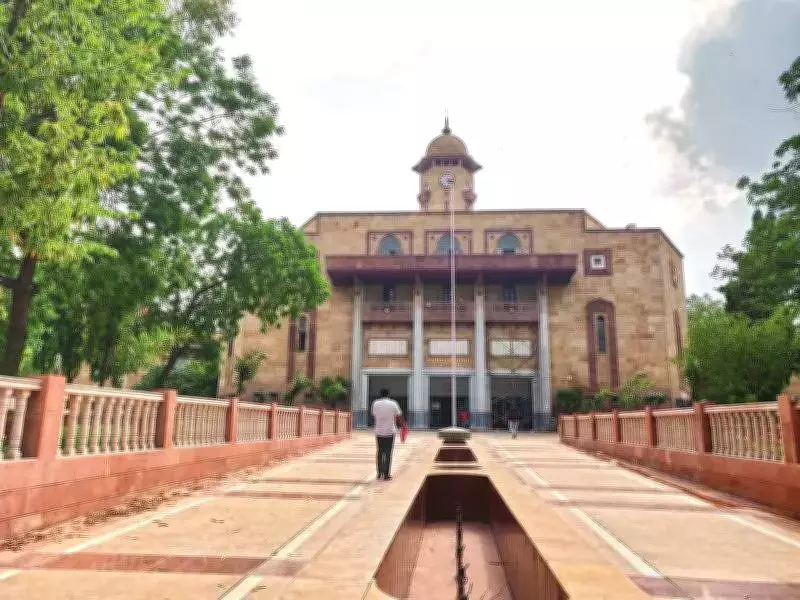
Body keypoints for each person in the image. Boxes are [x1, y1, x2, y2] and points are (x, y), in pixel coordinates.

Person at [371, 389, 405, 481]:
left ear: (380, 394)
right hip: (390, 431)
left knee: (380, 451)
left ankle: (379, 473)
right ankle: (386, 474)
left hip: (379, 431)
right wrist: (403, 425)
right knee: (388, 453)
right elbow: (398, 417)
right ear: (389, 395)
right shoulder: (393, 403)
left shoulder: (375, 403)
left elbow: (374, 416)